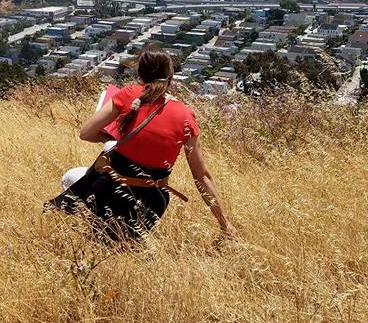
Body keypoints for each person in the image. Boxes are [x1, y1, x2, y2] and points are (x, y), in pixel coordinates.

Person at [48, 45, 235, 241]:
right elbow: (201, 177)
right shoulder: (186, 116)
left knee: (70, 176)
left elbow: (86, 133)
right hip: (151, 204)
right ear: (170, 74)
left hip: (108, 192)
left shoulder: (128, 94)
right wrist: (225, 224)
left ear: (140, 73)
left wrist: (114, 137)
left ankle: (92, 227)